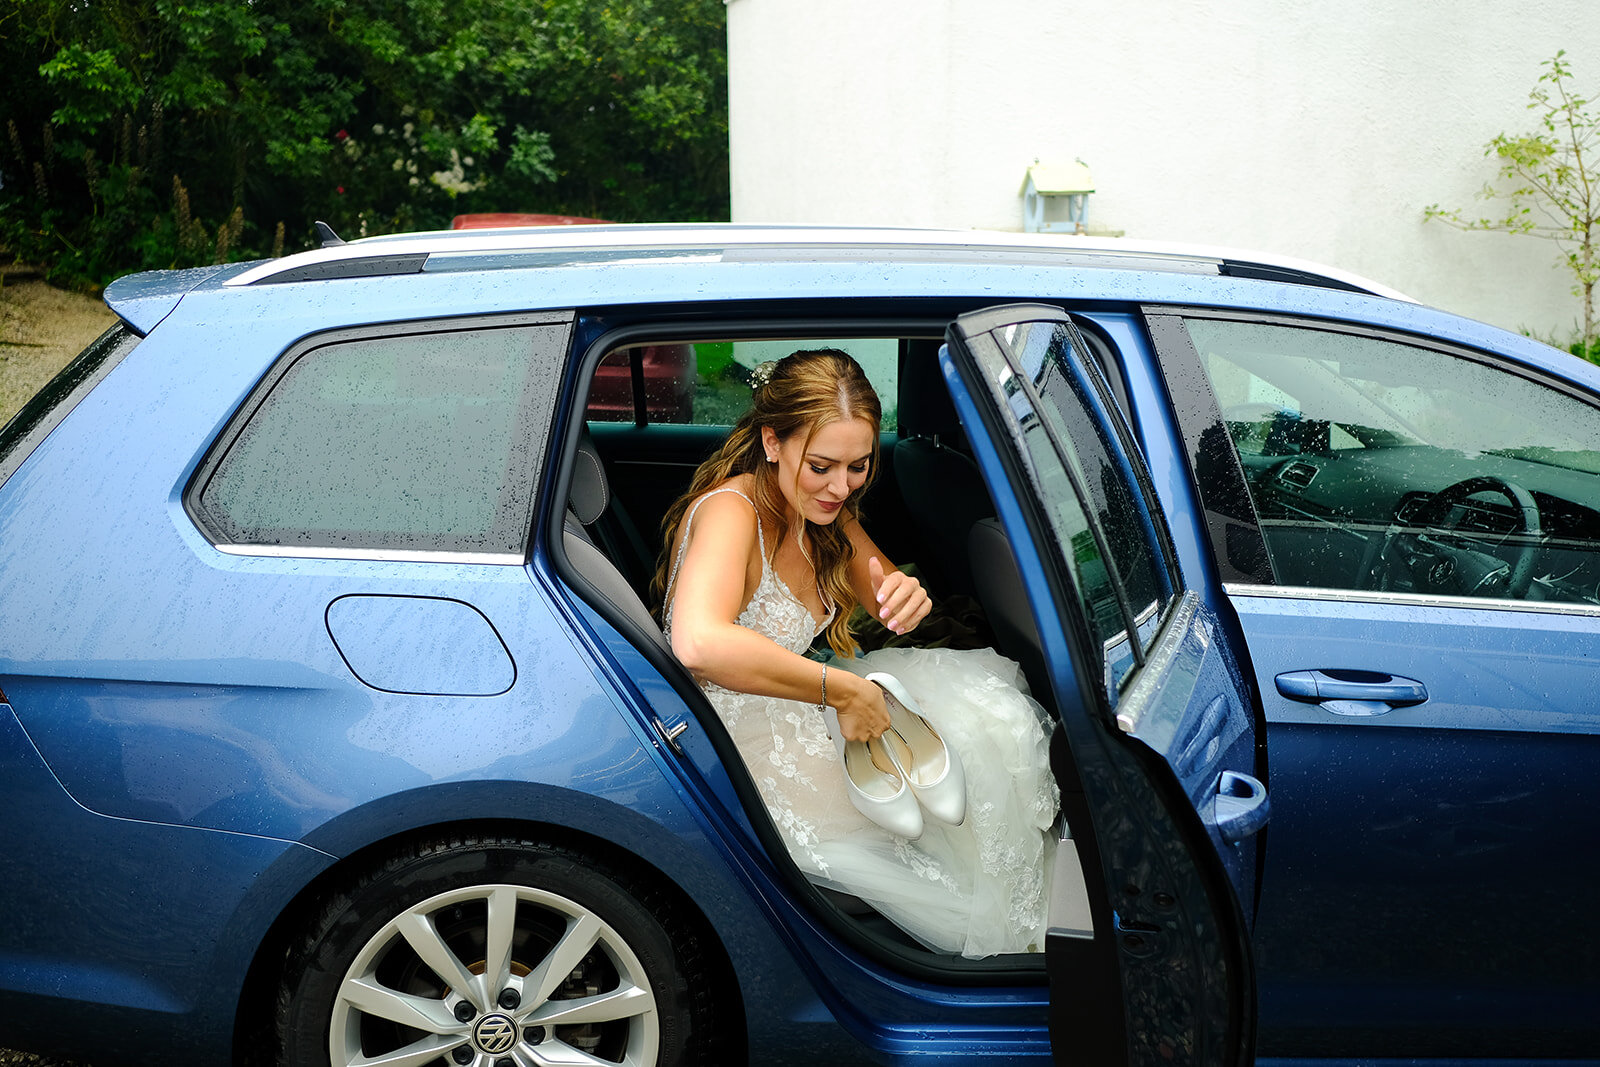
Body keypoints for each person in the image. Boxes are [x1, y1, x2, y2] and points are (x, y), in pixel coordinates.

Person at [656, 348, 1058, 958]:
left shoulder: (823, 512)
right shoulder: (730, 513)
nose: (841, 486)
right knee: (944, 827)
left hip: (798, 697)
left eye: (858, 466)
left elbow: (884, 588)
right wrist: (842, 689)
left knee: (992, 718)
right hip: (735, 741)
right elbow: (697, 642)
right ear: (772, 443)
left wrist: (907, 596)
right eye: (821, 465)